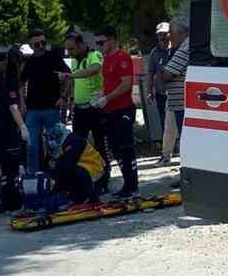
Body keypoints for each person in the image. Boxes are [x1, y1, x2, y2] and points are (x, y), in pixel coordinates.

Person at [95, 24, 138, 199]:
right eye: (97, 43)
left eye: (101, 42)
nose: (99, 46)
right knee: (115, 148)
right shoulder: (106, 59)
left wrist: (107, 97)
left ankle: (132, 187)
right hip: (110, 110)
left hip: (123, 109)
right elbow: (109, 83)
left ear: (112, 40)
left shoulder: (123, 57)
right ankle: (127, 185)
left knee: (126, 147)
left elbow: (126, 85)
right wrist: (101, 94)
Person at [20, 28, 67, 177]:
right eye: (36, 44)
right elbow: (21, 82)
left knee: (56, 145)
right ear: (31, 45)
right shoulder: (29, 62)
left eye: (43, 43)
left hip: (51, 108)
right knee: (31, 145)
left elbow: (68, 74)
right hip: (32, 110)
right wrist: (22, 102)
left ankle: (58, 176)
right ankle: (33, 177)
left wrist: (63, 96)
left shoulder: (53, 56)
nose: (40, 46)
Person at [66, 30, 108, 194]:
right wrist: (69, 99)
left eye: (72, 49)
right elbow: (74, 82)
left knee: (100, 145)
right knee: (78, 146)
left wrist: (72, 75)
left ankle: (103, 181)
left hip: (95, 108)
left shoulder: (94, 55)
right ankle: (82, 180)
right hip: (79, 109)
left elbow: (94, 69)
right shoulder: (74, 60)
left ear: (81, 45)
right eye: (68, 49)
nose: (69, 52)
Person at [0, 45, 27, 210]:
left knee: (4, 168)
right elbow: (13, 107)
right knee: (12, 167)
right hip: (6, 127)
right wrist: (22, 127)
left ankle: (6, 200)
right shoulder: (10, 79)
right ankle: (13, 202)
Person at [161, 18, 189, 164]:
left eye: (170, 32)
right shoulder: (182, 47)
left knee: (185, 140)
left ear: (180, 33)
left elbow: (166, 75)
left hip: (182, 104)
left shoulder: (185, 48)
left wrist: (162, 71)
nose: (169, 36)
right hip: (178, 103)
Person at [145, 23, 173, 151]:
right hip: (161, 93)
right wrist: (149, 91)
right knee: (164, 120)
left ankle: (179, 145)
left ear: (170, 34)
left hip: (177, 93)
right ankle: (167, 148)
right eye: (160, 34)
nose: (162, 37)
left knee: (178, 119)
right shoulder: (154, 52)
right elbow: (150, 73)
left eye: (164, 34)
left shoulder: (177, 49)